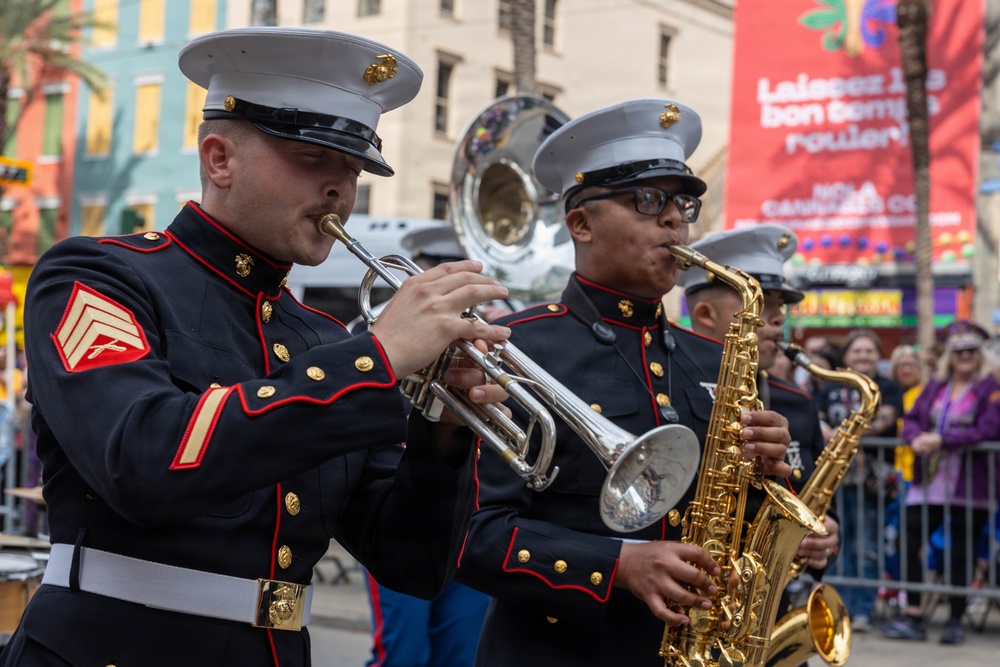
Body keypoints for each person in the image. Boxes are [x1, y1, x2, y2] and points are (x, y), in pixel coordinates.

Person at [1, 27, 514, 667]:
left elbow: (411, 563)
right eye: (313, 160)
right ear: (220, 159)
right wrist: (377, 358)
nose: (340, 191)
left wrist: (444, 425)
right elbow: (141, 460)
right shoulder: (100, 277)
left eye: (352, 170)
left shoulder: (323, 339)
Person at [455, 98, 797, 667]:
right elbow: (472, 537)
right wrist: (618, 565)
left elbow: (733, 532)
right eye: (647, 200)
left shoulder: (714, 362)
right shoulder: (511, 348)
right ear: (581, 223)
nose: (675, 220)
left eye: (683, 203)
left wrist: (767, 479)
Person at [678, 225, 841, 624]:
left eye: (781, 306)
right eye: (763, 305)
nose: (778, 319)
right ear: (705, 314)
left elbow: (812, 496)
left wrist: (827, 533)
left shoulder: (798, 403)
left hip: (770, 609)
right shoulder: (673, 388)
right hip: (693, 605)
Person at [361, 223, 493, 667]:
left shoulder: (495, 325)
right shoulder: (376, 323)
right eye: (442, 271)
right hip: (403, 502)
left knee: (461, 654)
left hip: (472, 517)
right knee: (404, 653)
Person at [881, 321, 1000, 645]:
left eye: (971, 350)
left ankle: (955, 621)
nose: (964, 356)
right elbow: (914, 417)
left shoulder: (991, 386)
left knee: (961, 550)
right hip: (929, 480)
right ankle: (914, 614)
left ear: (980, 353)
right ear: (950, 354)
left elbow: (989, 429)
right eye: (959, 350)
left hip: (970, 483)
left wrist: (942, 440)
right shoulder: (937, 384)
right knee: (908, 536)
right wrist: (916, 437)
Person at [814, 328, 904, 632]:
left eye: (869, 351)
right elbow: (818, 416)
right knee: (838, 540)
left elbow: (885, 419)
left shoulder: (888, 386)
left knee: (866, 543)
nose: (863, 356)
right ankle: (841, 607)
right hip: (835, 477)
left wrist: (844, 432)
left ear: (878, 356)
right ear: (846, 356)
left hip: (872, 480)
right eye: (857, 351)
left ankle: (863, 609)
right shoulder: (830, 386)